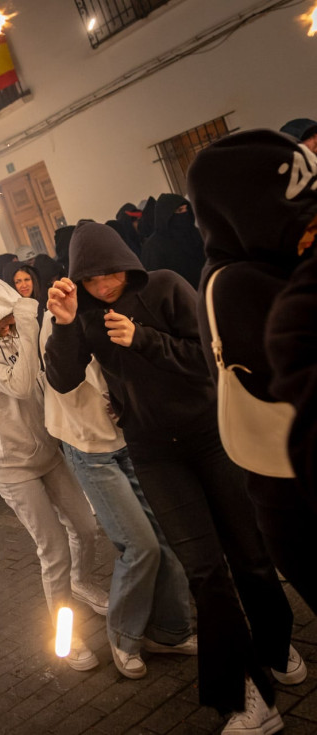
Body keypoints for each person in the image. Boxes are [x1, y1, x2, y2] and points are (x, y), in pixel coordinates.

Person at [45, 222, 300, 732]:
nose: (103, 286)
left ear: (125, 260)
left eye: (110, 274)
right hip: (154, 453)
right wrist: (68, 324)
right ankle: (249, 695)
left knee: (250, 556)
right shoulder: (85, 313)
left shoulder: (163, 285)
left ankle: (275, 644)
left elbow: (207, 359)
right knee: (205, 572)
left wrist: (144, 340)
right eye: (91, 280)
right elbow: (62, 378)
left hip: (210, 437)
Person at [187, 128, 317, 615]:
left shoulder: (272, 265)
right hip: (298, 501)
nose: (311, 235)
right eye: (303, 223)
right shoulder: (237, 284)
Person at [0, 275, 108, 670]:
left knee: (86, 526)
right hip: (10, 464)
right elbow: (22, 384)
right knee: (53, 549)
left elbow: (43, 375)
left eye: (11, 318)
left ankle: (83, 581)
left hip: (47, 449)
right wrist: (25, 321)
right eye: (1, 321)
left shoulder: (12, 331)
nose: (8, 326)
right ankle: (66, 634)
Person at [39, 317, 195, 680]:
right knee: (140, 546)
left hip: (127, 438)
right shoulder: (57, 318)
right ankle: (124, 637)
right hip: (88, 445)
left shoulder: (120, 307)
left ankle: (170, 632)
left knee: (164, 537)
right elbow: (63, 376)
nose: (106, 285)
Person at [140, 193, 206, 289]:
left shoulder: (195, 234)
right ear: (167, 215)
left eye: (186, 209)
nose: (185, 213)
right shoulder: (153, 247)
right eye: (179, 210)